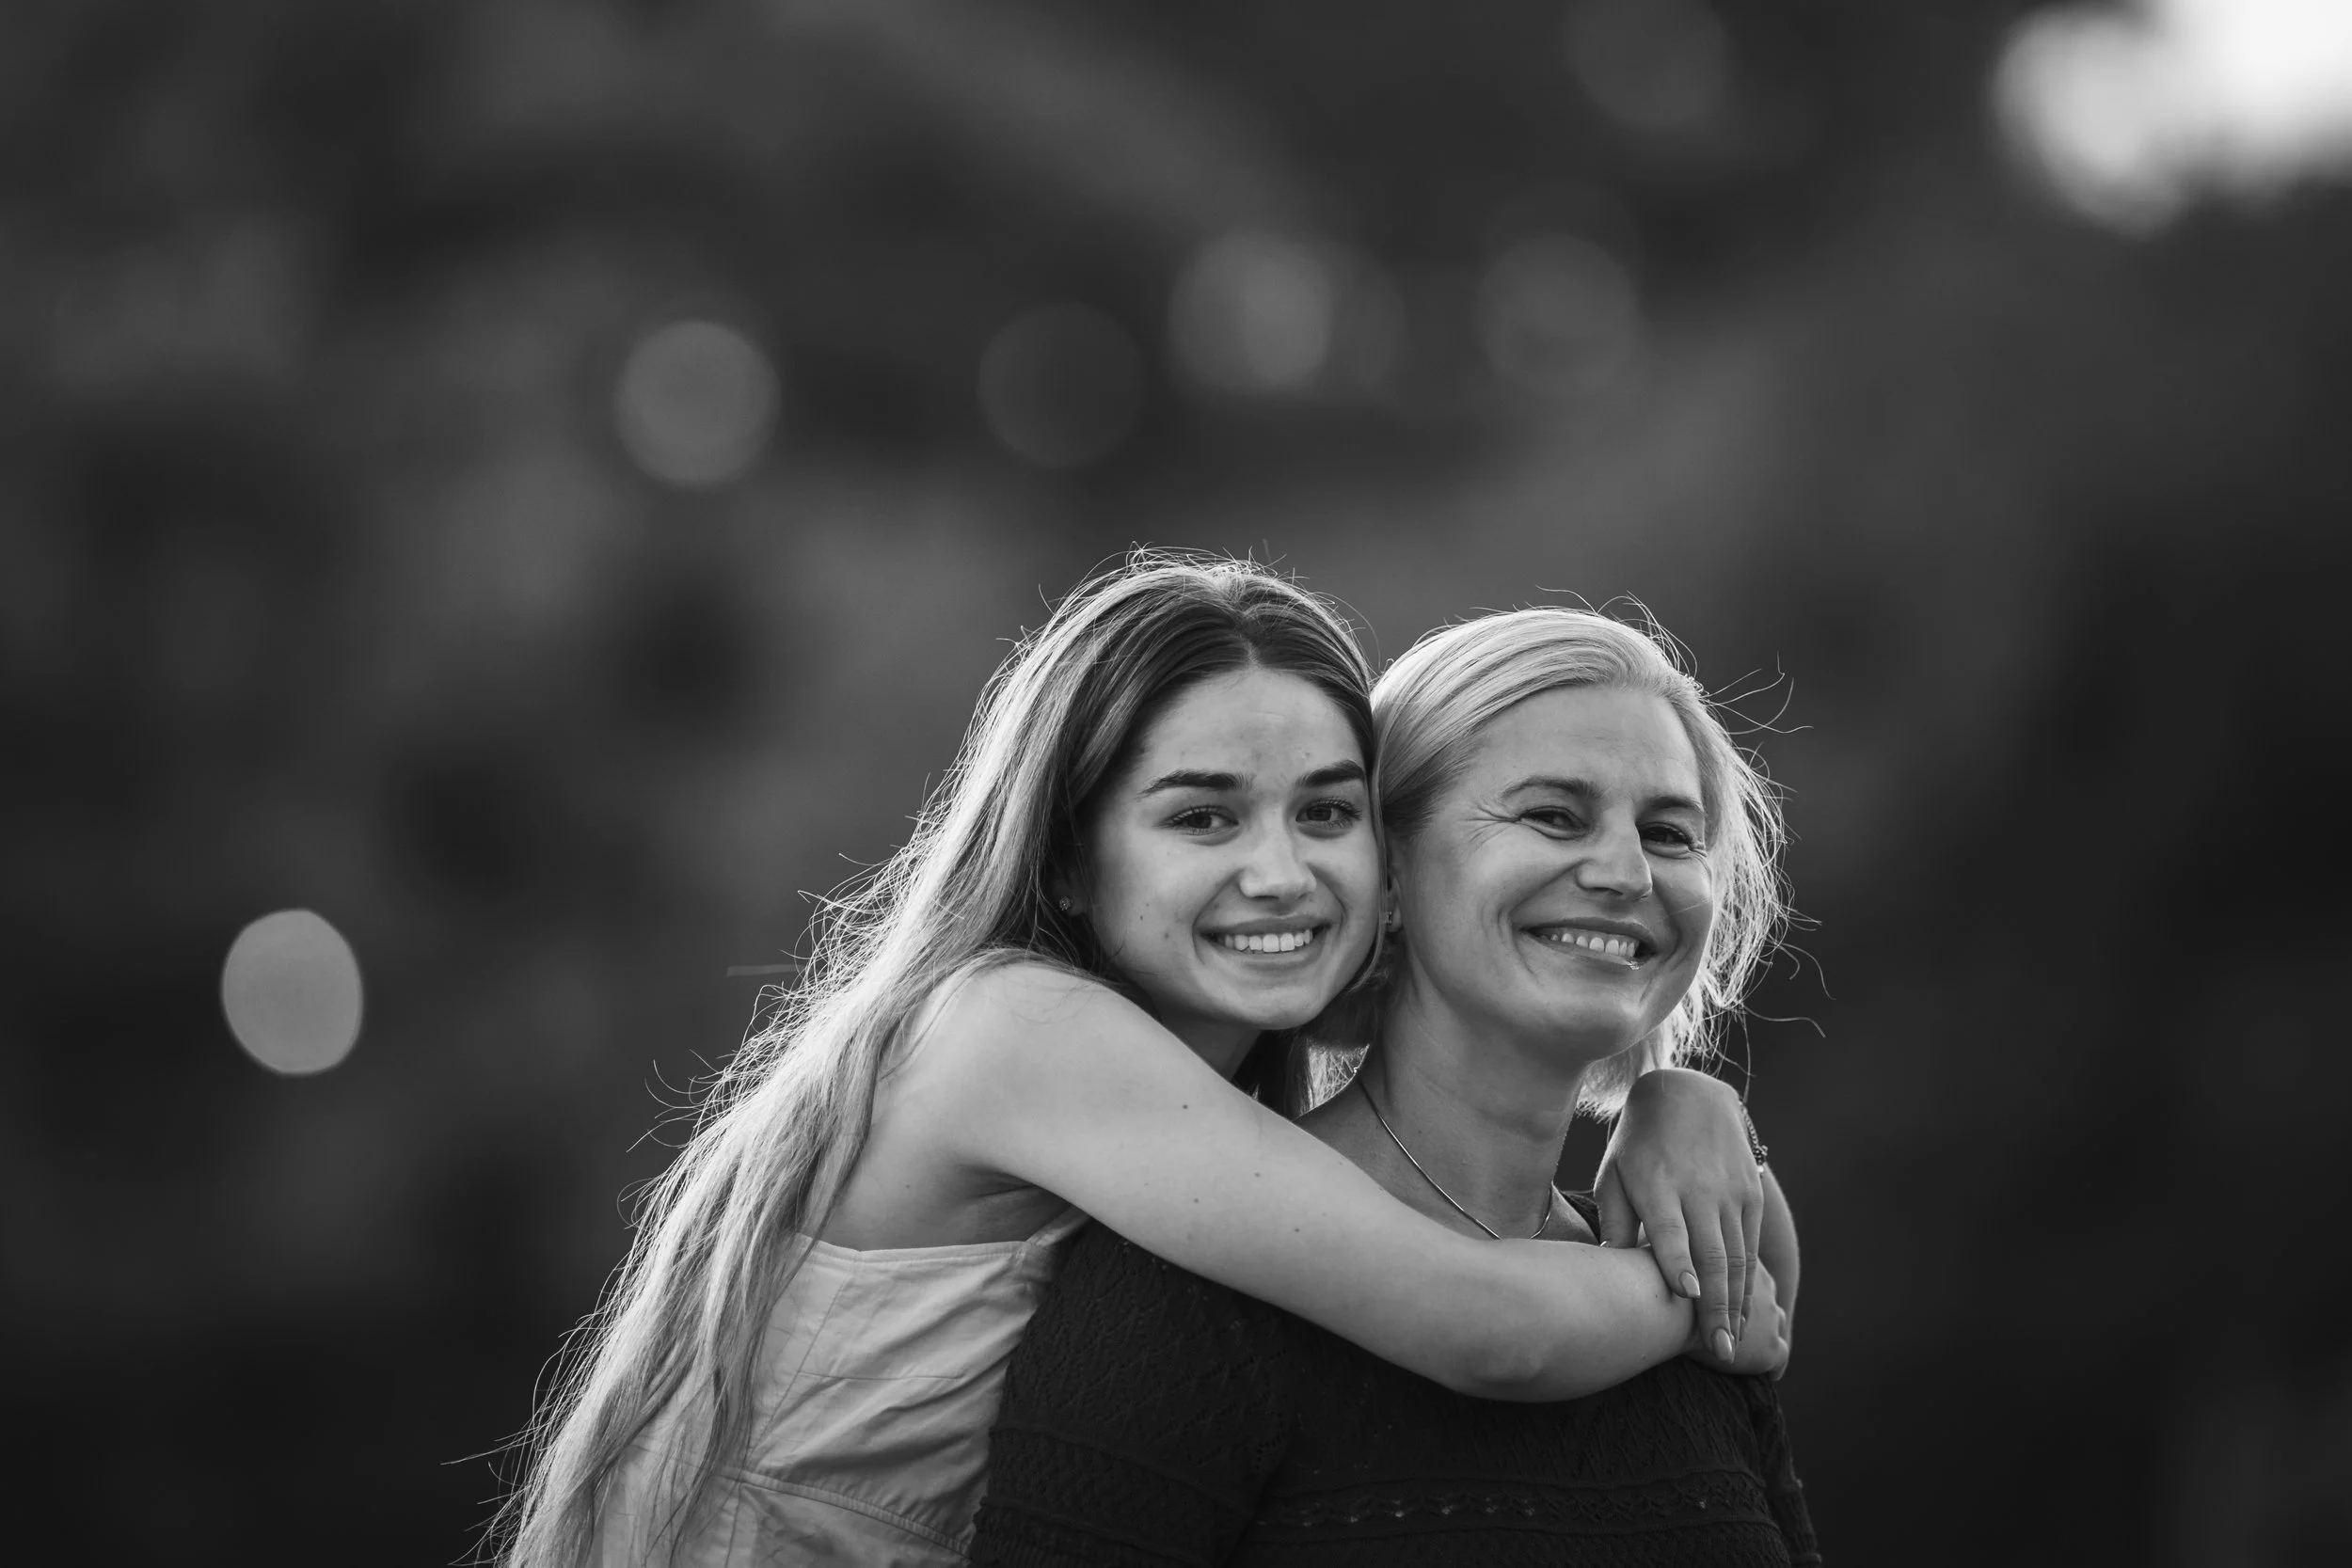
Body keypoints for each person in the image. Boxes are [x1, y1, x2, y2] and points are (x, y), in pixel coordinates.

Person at [495, 559, 1780, 1568]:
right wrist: (1711, 1293)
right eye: (1203, 814)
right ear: (1066, 856)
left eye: (1325, 811)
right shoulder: (1014, 1033)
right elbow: (1490, 1326)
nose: (1280, 870)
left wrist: (1681, 1097)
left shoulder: (1192, 1105)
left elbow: (1471, 1039)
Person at [970, 605, 1819, 1565]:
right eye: (1553, 815)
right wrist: (1696, 1287)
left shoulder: (1685, 1259)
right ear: (1389, 872)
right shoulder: (1191, 1283)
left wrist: (1691, 1100)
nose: (1628, 872)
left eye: (1669, 832)